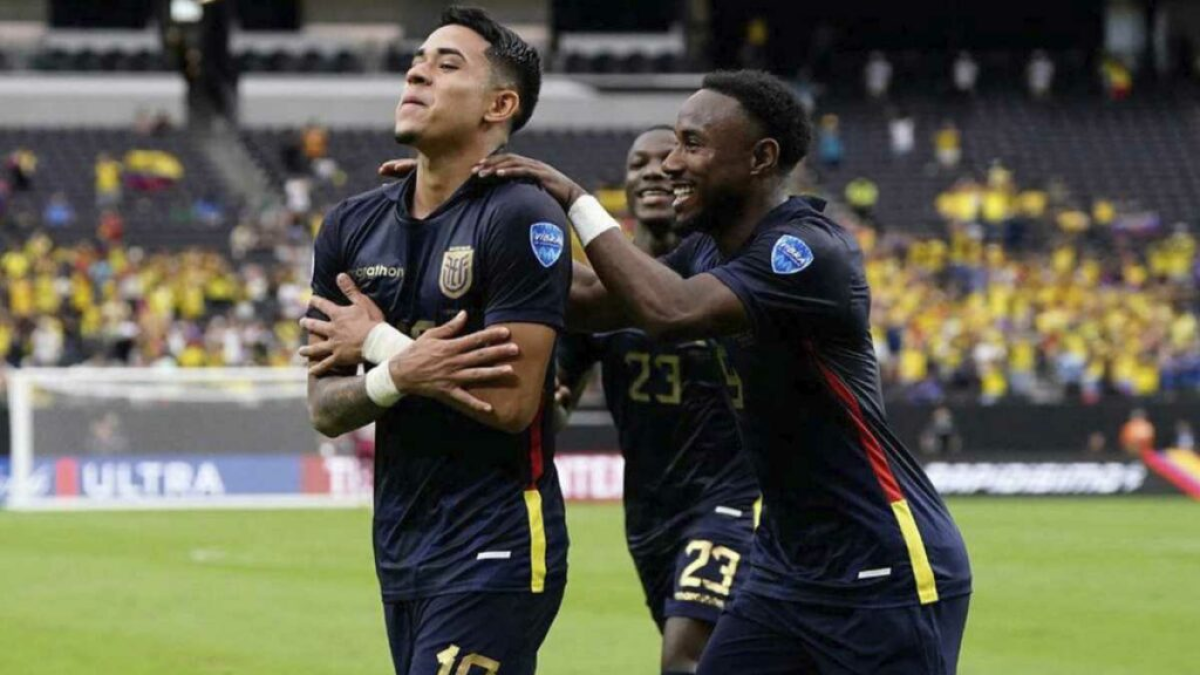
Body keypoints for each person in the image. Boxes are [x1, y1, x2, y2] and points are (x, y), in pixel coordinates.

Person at [469, 70, 972, 674]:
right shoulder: (708, 250)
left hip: (879, 566)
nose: (670, 164)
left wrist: (577, 201)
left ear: (761, 158)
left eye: (692, 144)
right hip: (785, 569)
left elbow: (668, 313)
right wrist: (466, 235)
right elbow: (594, 299)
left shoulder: (806, 252)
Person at [298, 8, 571, 675]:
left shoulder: (521, 215)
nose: (416, 73)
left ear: (499, 105)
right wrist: (398, 373)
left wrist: (380, 343)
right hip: (401, 542)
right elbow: (325, 407)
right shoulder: (351, 226)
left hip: (497, 538)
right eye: (417, 61)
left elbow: (511, 404)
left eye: (447, 65)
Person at [556, 126, 757, 674]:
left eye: (666, 160)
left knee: (684, 658)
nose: (652, 171)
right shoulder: (600, 294)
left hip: (731, 498)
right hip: (648, 514)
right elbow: (555, 406)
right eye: (637, 163)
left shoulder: (728, 270)